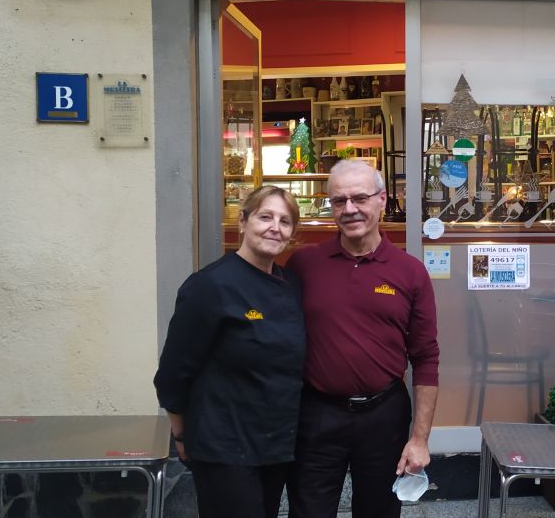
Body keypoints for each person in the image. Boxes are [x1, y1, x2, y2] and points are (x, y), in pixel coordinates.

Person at [287, 159, 440, 518]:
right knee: (307, 511)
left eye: (360, 198)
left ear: (382, 200)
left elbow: (426, 357)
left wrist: (419, 439)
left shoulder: (410, 272)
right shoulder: (304, 264)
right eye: (339, 201)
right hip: (317, 413)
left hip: (383, 415)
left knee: (379, 512)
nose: (350, 209)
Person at [154, 185, 305, 518]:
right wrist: (180, 433)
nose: (274, 227)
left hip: (275, 443)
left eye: (284, 221)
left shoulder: (290, 284)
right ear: (243, 221)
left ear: (291, 233)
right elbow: (172, 373)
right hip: (224, 446)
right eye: (265, 217)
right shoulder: (210, 286)